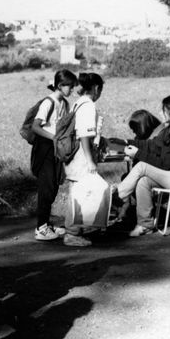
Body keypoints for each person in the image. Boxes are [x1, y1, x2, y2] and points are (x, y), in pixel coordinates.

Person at [113, 95, 170, 237]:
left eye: (164, 110)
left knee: (142, 166)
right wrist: (125, 141)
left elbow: (165, 164)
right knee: (143, 181)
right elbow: (151, 145)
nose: (160, 113)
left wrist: (137, 154)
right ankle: (145, 224)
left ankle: (115, 199)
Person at [30, 69, 78, 241]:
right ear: (60, 85)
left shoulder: (63, 103)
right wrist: (54, 138)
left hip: (55, 148)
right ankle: (40, 227)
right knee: (46, 188)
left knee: (54, 186)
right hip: (45, 149)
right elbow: (35, 127)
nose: (72, 90)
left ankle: (46, 224)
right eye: (70, 87)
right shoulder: (48, 103)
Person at [61, 72, 106, 247]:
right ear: (95, 88)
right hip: (81, 158)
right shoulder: (88, 106)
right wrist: (90, 161)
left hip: (72, 157)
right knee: (78, 196)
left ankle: (74, 231)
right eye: (100, 90)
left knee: (77, 193)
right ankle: (72, 233)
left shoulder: (77, 103)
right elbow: (85, 136)